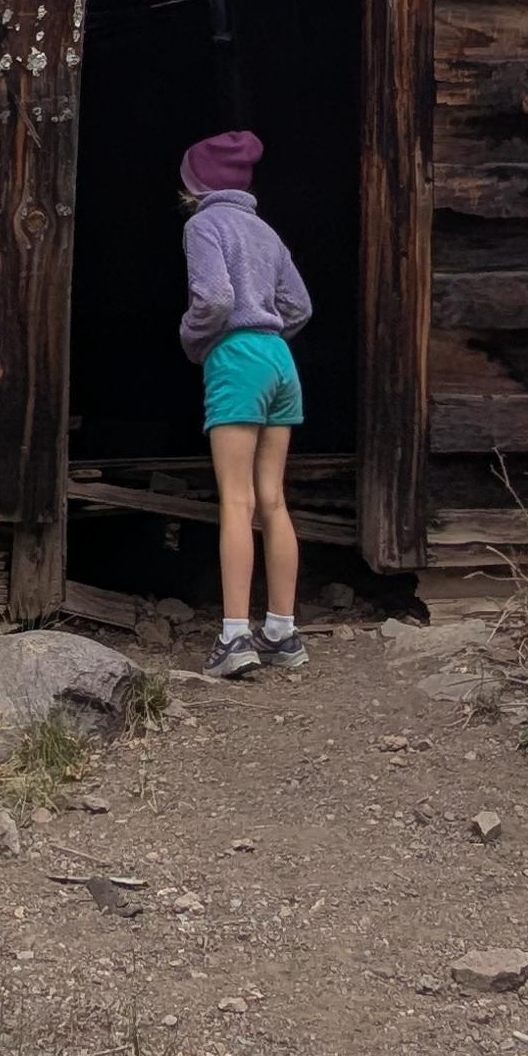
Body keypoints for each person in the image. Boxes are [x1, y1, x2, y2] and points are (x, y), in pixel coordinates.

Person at [176, 129, 310, 682]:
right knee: (271, 500)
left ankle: (235, 637)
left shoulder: (202, 225)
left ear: (196, 184)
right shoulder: (265, 231)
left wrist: (193, 337)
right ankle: (282, 631)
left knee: (235, 501)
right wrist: (268, 337)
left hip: (236, 359)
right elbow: (297, 305)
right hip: (281, 361)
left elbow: (214, 299)